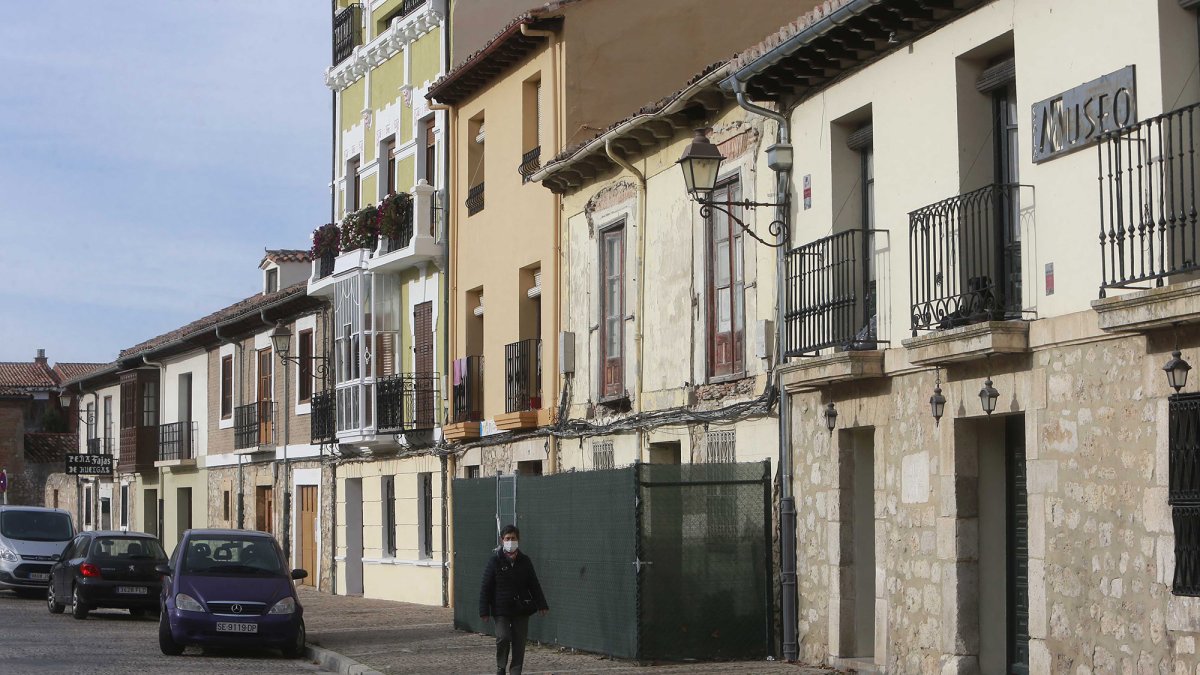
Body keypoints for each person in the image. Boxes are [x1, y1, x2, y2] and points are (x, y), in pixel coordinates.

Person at [479, 525, 548, 675]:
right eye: (507, 539)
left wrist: (542, 604)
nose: (511, 541)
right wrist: (484, 610)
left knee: (519, 642)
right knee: (503, 637)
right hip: (501, 608)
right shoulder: (495, 561)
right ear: (502, 540)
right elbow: (486, 586)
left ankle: (516, 670)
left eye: (513, 538)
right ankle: (501, 666)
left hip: (521, 608)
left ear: (518, 540)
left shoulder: (525, 561)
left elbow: (533, 584)